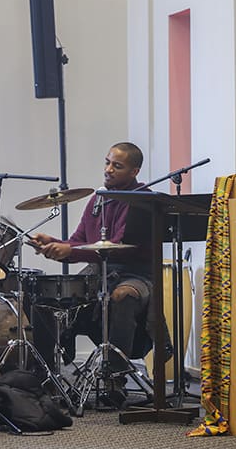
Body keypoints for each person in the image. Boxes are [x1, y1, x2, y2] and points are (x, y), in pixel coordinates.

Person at [29, 142, 164, 407]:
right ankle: (47, 377)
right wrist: (54, 242)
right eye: (107, 162)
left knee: (122, 295)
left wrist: (69, 251)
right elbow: (80, 240)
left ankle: (115, 378)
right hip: (98, 270)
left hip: (136, 274)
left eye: (117, 165)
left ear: (135, 170)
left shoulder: (141, 200)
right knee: (47, 295)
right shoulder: (97, 198)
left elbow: (118, 248)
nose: (108, 169)